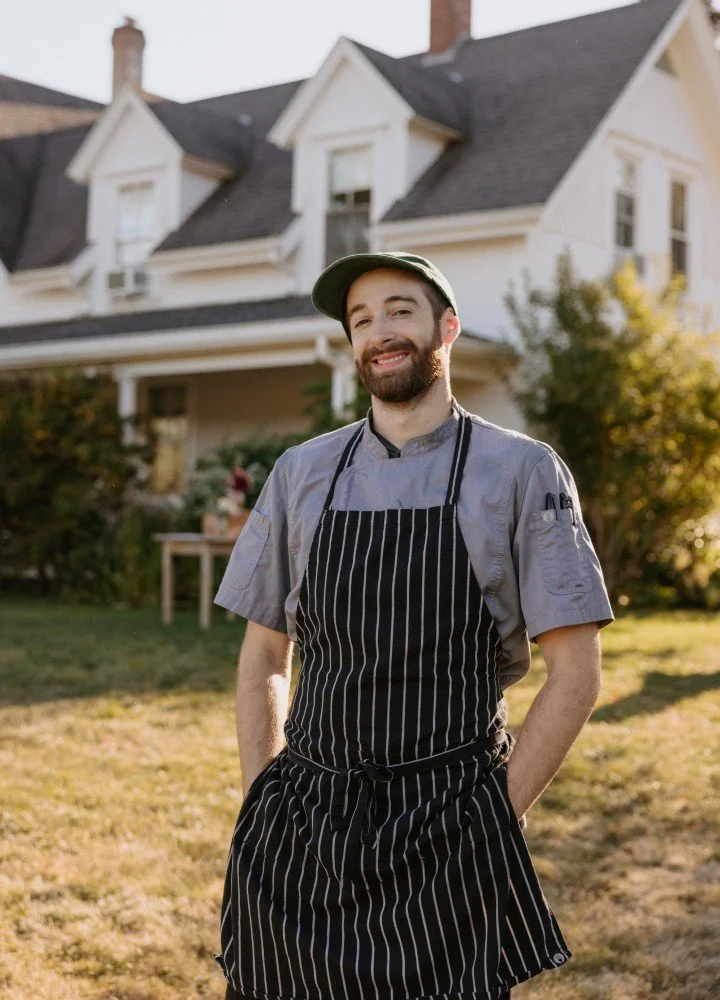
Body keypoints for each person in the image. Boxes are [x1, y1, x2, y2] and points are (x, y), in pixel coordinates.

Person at [214, 251, 614, 1000]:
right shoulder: (302, 472)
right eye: (360, 320)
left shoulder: (523, 472)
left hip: (450, 830)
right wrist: (260, 798)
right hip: (305, 826)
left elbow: (577, 673)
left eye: (400, 310)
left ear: (447, 328)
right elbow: (266, 651)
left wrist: (496, 816)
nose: (379, 332)